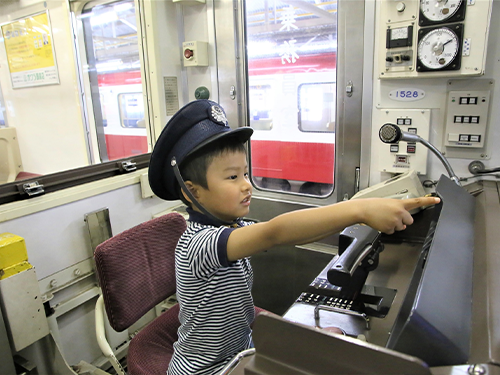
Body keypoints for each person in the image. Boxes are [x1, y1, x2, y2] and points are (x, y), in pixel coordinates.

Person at [148, 99, 440, 375]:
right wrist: (359, 210)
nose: (246, 186)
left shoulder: (234, 227)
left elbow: (295, 234)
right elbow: (276, 233)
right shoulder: (200, 244)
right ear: (192, 191)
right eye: (232, 177)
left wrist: (359, 215)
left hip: (241, 347)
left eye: (246, 174)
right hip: (207, 369)